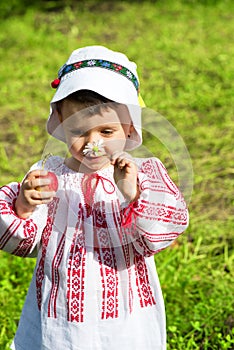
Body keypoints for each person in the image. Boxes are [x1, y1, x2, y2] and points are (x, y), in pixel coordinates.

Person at [0, 45, 189, 350]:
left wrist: (131, 193)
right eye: (79, 131)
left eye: (106, 130)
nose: (93, 144)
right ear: (60, 123)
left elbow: (157, 236)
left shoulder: (142, 175)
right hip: (60, 310)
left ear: (129, 127)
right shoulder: (49, 176)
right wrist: (23, 206)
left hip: (123, 311)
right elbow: (24, 244)